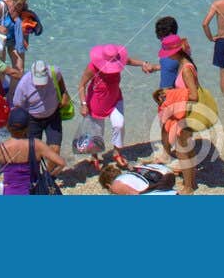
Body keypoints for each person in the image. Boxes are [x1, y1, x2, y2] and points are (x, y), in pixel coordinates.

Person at [77, 43, 156, 167]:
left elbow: (129, 61)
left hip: (115, 99)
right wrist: (83, 104)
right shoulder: (93, 67)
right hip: (97, 101)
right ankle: (94, 156)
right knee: (97, 131)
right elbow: (81, 85)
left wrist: (144, 63)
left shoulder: (119, 60)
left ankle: (117, 153)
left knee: (119, 124)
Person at [0, 107, 64, 195]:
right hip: (32, 192)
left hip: (9, 193)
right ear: (28, 127)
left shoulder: (0, 149)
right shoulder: (37, 144)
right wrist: (47, 176)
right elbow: (61, 163)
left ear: (8, 126)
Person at [153, 34, 203, 193]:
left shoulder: (186, 69)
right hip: (185, 113)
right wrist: (169, 93)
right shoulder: (184, 65)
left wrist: (173, 96)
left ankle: (188, 187)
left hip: (186, 115)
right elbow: (186, 90)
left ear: (176, 51)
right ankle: (191, 182)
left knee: (183, 152)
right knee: (186, 150)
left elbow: (194, 96)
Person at [11, 59, 69, 148]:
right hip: (33, 120)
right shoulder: (23, 84)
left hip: (53, 116)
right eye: (38, 82)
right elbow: (17, 106)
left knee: (55, 149)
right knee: (34, 151)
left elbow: (60, 80)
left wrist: (64, 93)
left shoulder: (54, 72)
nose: (41, 85)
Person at [98, 162, 177, 194]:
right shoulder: (130, 173)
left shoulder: (116, 185)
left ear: (108, 185)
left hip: (160, 184)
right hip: (166, 172)